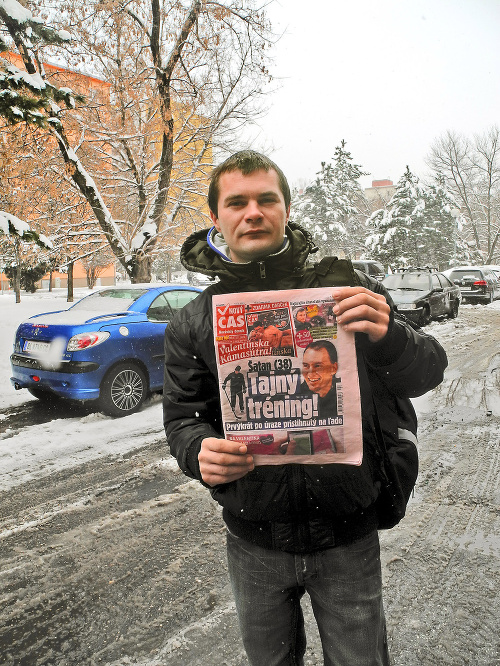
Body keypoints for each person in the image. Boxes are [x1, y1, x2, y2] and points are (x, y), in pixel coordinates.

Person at [163, 150, 448, 666]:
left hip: (347, 535)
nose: (253, 212)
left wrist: (390, 334)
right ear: (216, 218)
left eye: (266, 199)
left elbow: (427, 371)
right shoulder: (195, 320)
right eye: (237, 202)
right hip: (254, 540)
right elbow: (184, 416)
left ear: (286, 210)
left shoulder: (347, 292)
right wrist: (196, 450)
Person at [299, 340, 340, 418]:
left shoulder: (344, 393)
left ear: (333, 368)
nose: (310, 373)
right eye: (306, 366)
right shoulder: (295, 395)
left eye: (317, 366)